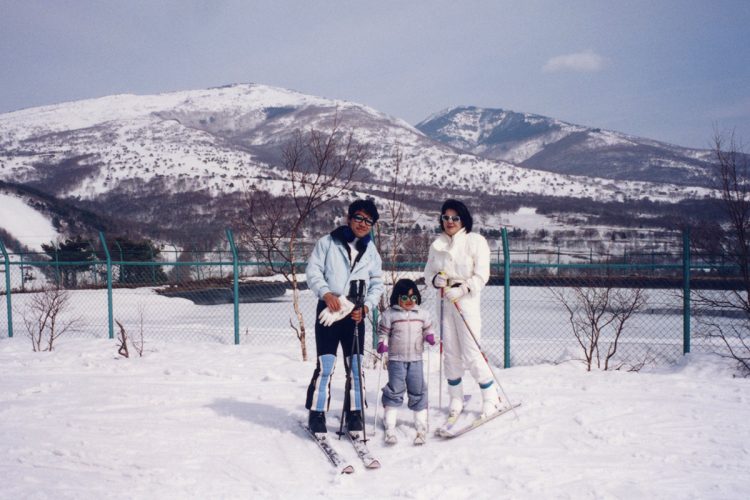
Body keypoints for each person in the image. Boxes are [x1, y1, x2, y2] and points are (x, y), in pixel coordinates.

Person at [305, 199, 384, 435]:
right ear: (349, 218)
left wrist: (367, 307)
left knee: (355, 366)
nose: (363, 224)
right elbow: (313, 271)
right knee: (326, 364)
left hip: (354, 313)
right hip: (329, 310)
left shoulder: (371, 251)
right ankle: (317, 413)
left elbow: (377, 283)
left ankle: (355, 412)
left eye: (368, 221)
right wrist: (325, 292)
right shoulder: (328, 242)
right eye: (359, 218)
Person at [423, 199, 501, 422]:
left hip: (466, 302)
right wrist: (434, 280)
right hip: (445, 303)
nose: (450, 221)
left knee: (471, 350)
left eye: (455, 218)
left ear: (463, 219)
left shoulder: (475, 241)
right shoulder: (437, 245)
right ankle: (455, 397)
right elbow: (428, 273)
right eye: (446, 217)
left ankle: (490, 396)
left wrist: (464, 288)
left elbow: (482, 275)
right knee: (450, 353)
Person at [377, 279, 436, 445]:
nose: (410, 302)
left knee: (418, 388)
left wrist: (430, 336)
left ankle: (421, 422)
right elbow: (383, 333)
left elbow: (428, 329)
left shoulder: (422, 315)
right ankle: (390, 421)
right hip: (396, 359)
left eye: (413, 298)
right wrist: (382, 343)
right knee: (395, 389)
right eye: (405, 298)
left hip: (416, 358)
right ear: (397, 298)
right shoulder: (390, 315)